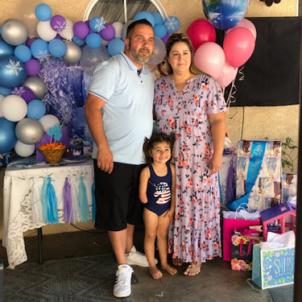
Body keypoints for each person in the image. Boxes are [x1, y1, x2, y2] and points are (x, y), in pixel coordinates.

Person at [84, 19, 155, 298]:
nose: (145, 44)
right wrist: (103, 147)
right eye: (139, 38)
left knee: (130, 213)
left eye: (149, 39)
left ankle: (129, 251)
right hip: (113, 157)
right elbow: (92, 108)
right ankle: (123, 268)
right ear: (127, 41)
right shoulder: (111, 68)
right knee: (114, 213)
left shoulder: (148, 74)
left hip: (140, 159)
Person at [154, 33, 227, 276]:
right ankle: (177, 252)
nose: (180, 58)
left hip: (199, 160)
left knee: (197, 207)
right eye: (175, 53)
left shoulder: (206, 84)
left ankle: (196, 256)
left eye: (185, 53)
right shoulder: (159, 87)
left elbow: (217, 121)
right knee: (173, 207)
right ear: (168, 58)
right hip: (169, 161)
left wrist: (217, 155)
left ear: (191, 56)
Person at [139, 133, 177, 279]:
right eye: (158, 150)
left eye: (166, 149)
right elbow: (142, 194)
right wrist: (144, 198)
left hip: (165, 210)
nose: (163, 154)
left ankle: (164, 263)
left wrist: (172, 208)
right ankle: (152, 266)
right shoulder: (147, 171)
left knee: (162, 236)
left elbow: (173, 190)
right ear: (150, 152)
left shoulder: (171, 169)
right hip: (151, 210)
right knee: (150, 235)